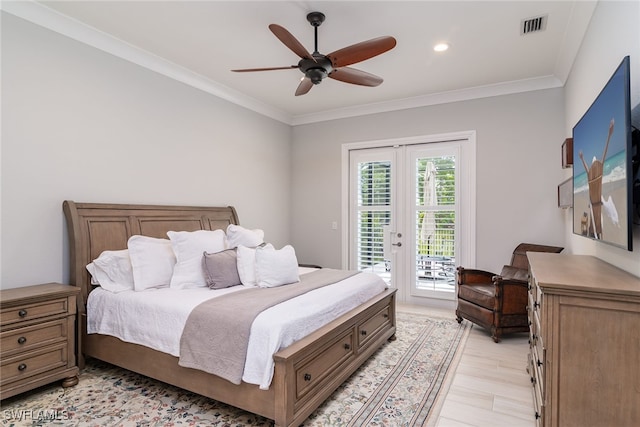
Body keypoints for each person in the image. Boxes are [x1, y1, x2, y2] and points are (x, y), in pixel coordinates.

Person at [578, 118, 614, 239]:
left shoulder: (590, 175)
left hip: (594, 206)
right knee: (597, 224)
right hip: (597, 206)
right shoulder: (598, 171)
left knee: (593, 225)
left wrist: (582, 159)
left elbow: (586, 167)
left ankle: (592, 233)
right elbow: (603, 155)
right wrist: (609, 135)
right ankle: (596, 233)